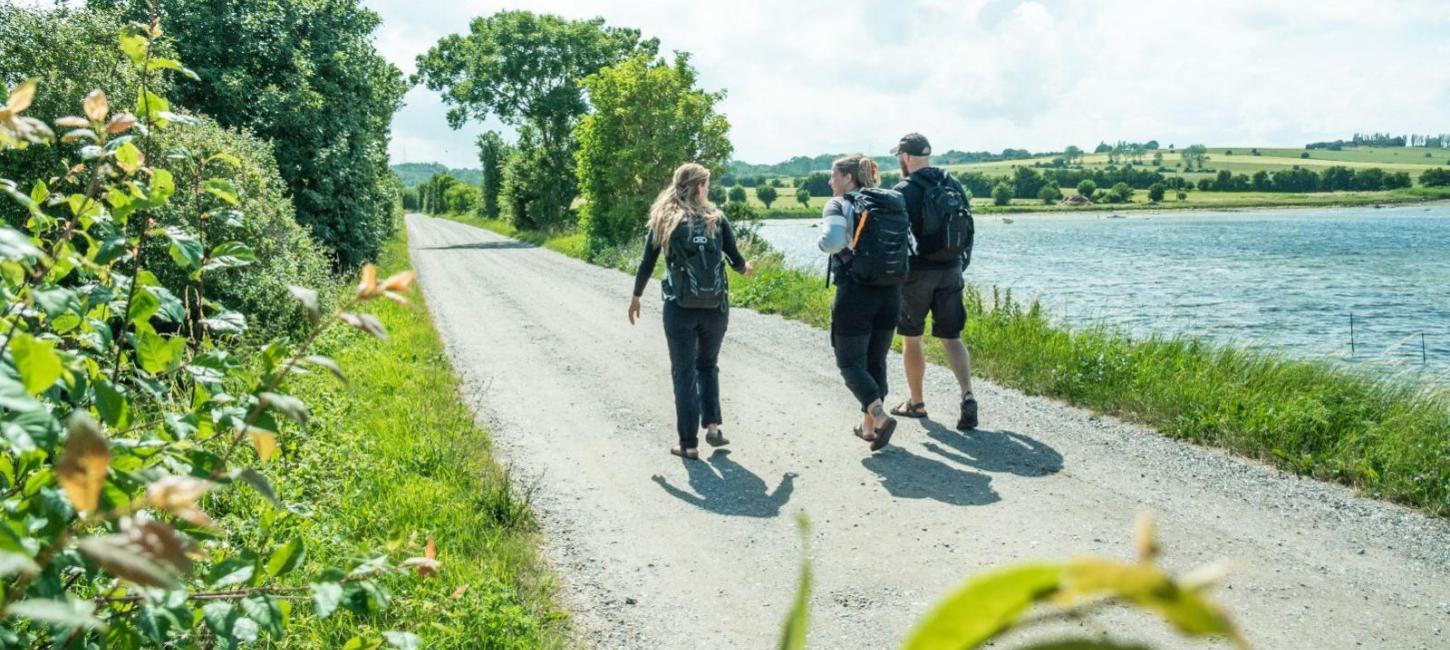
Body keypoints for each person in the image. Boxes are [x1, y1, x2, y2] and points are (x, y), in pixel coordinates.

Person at [629, 163, 754, 460]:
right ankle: (712, 427)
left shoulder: (665, 219)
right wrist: (746, 268)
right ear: (698, 187)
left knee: (684, 374)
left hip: (679, 308)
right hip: (715, 308)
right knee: (708, 365)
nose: (708, 190)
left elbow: (647, 262)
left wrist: (636, 297)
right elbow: (736, 261)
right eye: (706, 184)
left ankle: (689, 445)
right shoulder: (716, 218)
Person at [817, 154, 912, 451]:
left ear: (848, 178)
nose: (831, 181)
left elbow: (832, 242)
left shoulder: (839, 204)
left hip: (856, 293)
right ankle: (869, 428)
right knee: (875, 360)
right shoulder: (892, 203)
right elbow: (912, 245)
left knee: (849, 362)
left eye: (834, 175)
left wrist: (821, 243)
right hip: (891, 292)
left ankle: (880, 416)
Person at [888, 133, 979, 430]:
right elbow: (967, 226)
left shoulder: (903, 190)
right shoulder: (952, 184)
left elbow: (896, 238)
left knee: (912, 338)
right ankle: (967, 395)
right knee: (951, 337)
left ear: (904, 157)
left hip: (917, 273)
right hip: (952, 268)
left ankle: (916, 403)